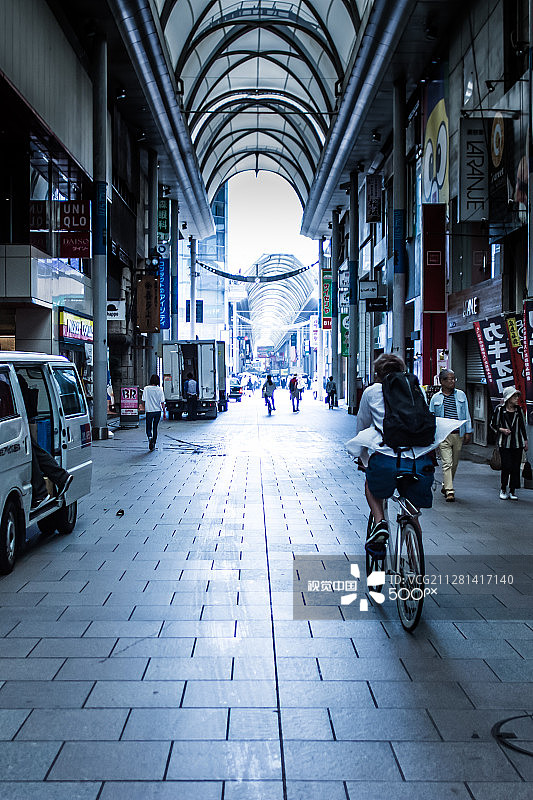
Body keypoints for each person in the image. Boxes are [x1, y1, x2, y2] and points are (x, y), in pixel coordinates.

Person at [347, 354, 459, 553]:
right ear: (403, 370)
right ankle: (413, 558)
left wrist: (362, 458)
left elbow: (362, 426)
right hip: (420, 462)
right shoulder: (416, 389)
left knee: (371, 486)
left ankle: (380, 522)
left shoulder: (372, 391)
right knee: (411, 513)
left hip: (386, 459)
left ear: (377, 374)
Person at [17, 374, 72, 509]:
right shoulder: (13, 378)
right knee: (33, 449)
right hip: (23, 423)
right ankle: (59, 478)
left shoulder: (8, 378)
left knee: (32, 450)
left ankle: (44, 488)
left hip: (20, 424)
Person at [429, 369, 472, 502]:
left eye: (454, 379)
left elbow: (466, 413)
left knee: (454, 463)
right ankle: (449, 490)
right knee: (447, 463)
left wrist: (468, 431)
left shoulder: (461, 395)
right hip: (443, 435)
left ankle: (446, 484)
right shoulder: (436, 398)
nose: (452, 381)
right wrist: (433, 436)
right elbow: (431, 417)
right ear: (442, 381)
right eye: (449, 379)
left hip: (458, 433)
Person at [490, 386, 528, 500]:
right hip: (504, 443)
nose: (517, 398)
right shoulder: (500, 410)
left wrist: (525, 441)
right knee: (506, 466)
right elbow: (493, 424)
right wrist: (502, 430)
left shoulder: (519, 410)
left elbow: (522, 426)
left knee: (515, 467)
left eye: (517, 396)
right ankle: (503, 488)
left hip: (517, 443)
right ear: (508, 397)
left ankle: (512, 490)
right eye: (514, 396)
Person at [142, 374, 165, 450]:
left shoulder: (146, 389)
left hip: (149, 411)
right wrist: (164, 412)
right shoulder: (160, 389)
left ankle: (150, 437)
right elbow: (162, 402)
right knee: (155, 427)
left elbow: (143, 400)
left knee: (148, 427)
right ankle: (154, 443)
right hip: (157, 411)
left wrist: (143, 407)